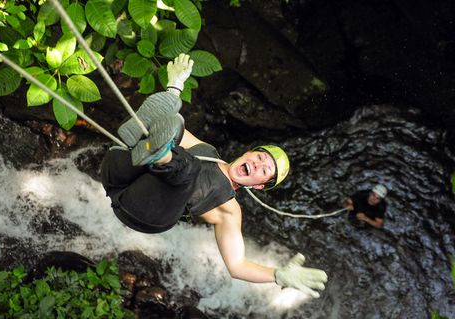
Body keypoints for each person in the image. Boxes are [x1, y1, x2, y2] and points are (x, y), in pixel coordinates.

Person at [101, 54, 328, 298]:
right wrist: (175, 85)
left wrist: (277, 275)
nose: (257, 164)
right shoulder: (207, 150)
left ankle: (160, 155)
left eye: (264, 171)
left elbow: (237, 265)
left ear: (260, 186)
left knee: (187, 168)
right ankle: (151, 147)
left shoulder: (229, 209)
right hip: (118, 177)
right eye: (259, 157)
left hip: (142, 212)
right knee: (175, 124)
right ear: (248, 152)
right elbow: (165, 123)